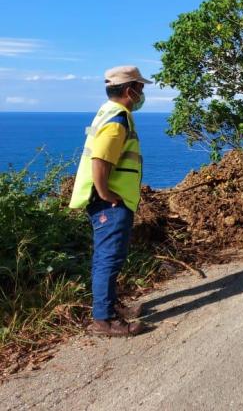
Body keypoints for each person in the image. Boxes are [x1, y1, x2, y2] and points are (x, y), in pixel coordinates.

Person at [70, 66, 151, 337]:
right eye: (141, 88)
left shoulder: (108, 112)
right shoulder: (118, 119)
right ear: (130, 90)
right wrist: (105, 193)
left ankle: (109, 307)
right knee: (109, 257)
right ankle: (103, 320)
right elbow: (100, 160)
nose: (142, 93)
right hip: (110, 202)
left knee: (108, 256)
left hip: (108, 199)